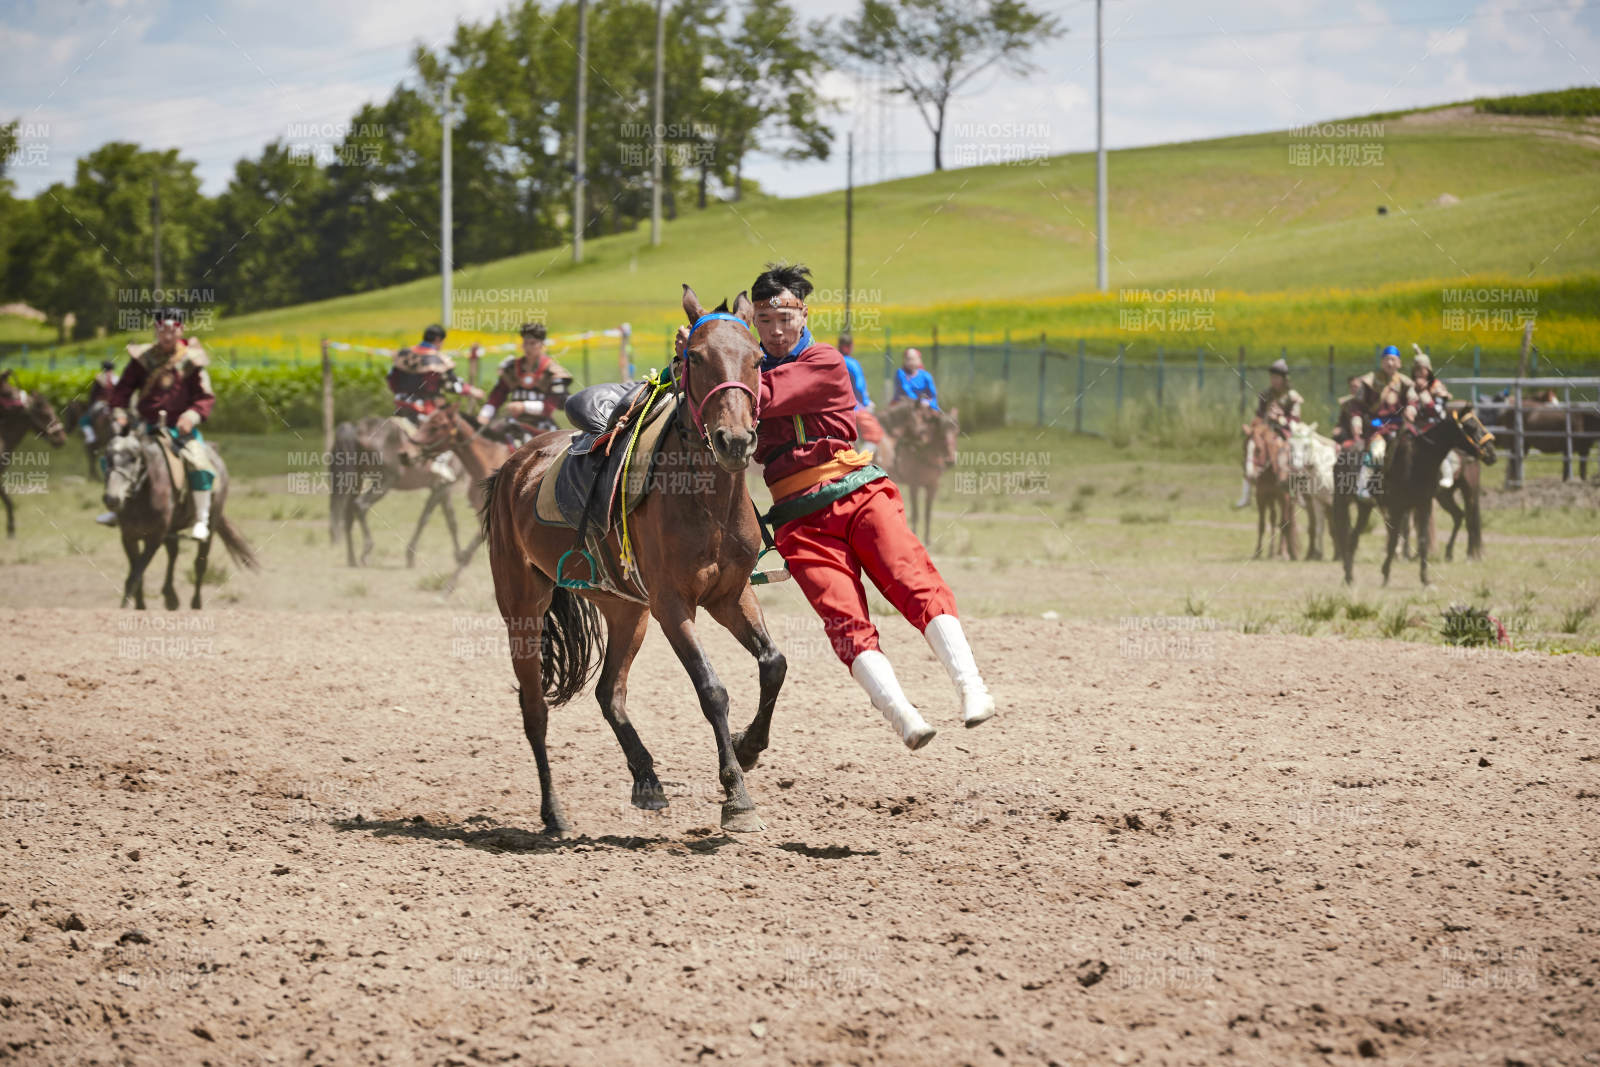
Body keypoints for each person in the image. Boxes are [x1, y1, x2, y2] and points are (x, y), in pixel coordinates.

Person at [678, 263, 994, 749]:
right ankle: (902, 716)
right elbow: (714, 402)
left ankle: (971, 687)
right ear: (755, 323)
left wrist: (706, 354)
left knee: (913, 581)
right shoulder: (743, 369)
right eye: (764, 320)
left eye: (785, 318)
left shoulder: (825, 362)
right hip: (798, 520)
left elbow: (760, 397)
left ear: (803, 316)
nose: (776, 330)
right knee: (842, 619)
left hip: (859, 493)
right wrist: (702, 358)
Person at [102, 308, 217, 538]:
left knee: (200, 464)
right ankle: (117, 509)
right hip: (144, 426)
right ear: (156, 330)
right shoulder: (142, 359)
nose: (166, 336)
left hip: (180, 428)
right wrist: (119, 412)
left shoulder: (191, 361)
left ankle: (201, 519)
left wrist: (191, 416)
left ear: (180, 330)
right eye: (162, 330)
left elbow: (204, 397)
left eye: (171, 331)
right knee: (114, 456)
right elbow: (122, 390)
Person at [387, 324, 482, 481]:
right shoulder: (437, 359)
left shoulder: (404, 354)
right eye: (442, 342)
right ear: (438, 340)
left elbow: (391, 379)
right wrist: (471, 391)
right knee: (448, 430)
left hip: (401, 403)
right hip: (425, 407)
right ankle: (439, 462)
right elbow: (452, 385)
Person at [478, 322, 573, 446]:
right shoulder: (511, 368)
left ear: (542, 344)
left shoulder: (553, 371)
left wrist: (524, 406)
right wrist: (484, 415)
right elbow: (497, 395)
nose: (527, 348)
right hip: (512, 422)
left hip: (542, 425)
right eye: (525, 343)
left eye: (532, 343)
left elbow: (554, 404)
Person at [1352, 344, 1413, 501]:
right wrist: (1356, 421)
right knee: (1377, 451)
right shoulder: (1369, 381)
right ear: (1381, 362)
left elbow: (1413, 400)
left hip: (1400, 426)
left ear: (1399, 363)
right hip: (1378, 427)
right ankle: (1363, 485)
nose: (1390, 363)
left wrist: (1412, 409)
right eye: (1387, 359)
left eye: (1393, 360)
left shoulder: (1405, 383)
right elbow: (1357, 406)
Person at [838, 332, 883, 456]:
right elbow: (859, 386)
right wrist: (867, 403)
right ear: (850, 346)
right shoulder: (852, 364)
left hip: (834, 408)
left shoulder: (833, 360)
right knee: (875, 436)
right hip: (854, 409)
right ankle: (863, 461)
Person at [1255, 358, 1303, 436]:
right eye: (1272, 377)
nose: (1274, 381)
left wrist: (1279, 418)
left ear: (1284, 379)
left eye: (1277, 378)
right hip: (1266, 429)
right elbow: (1260, 414)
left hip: (1286, 431)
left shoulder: (1293, 397)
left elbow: (1295, 421)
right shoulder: (1265, 394)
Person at [80, 360, 117, 446]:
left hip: (101, 403)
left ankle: (91, 437)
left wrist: (90, 404)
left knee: (84, 420)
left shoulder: (99, 378)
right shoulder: (116, 378)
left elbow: (93, 394)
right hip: (114, 404)